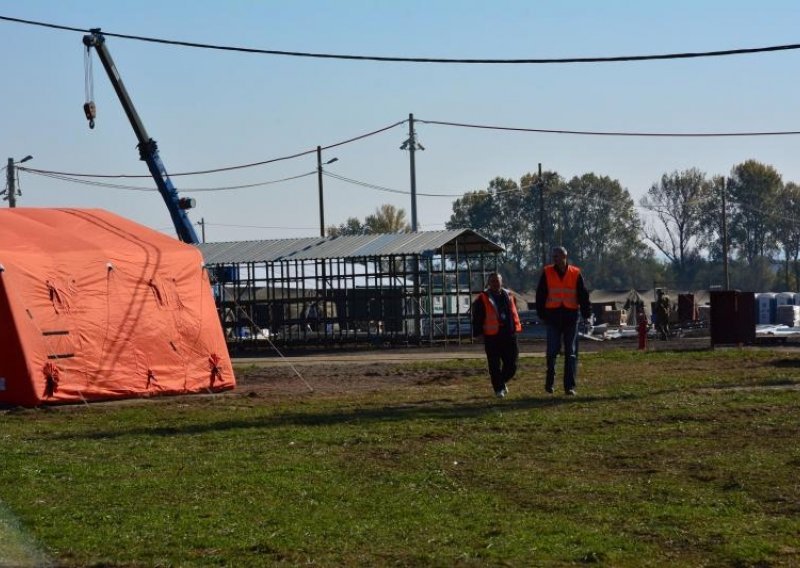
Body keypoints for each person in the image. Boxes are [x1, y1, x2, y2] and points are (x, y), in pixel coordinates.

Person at [535, 246, 592, 396]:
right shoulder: (547, 272)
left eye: (557, 256)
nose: (555, 259)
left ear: (565, 256)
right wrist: (541, 313)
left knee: (571, 353)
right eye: (553, 256)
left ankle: (569, 386)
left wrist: (586, 313)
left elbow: (583, 295)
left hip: (570, 317)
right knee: (552, 351)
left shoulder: (575, 273)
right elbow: (540, 294)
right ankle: (550, 383)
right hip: (553, 317)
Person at [471, 272, 522, 398]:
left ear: (501, 282)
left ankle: (501, 381)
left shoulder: (509, 295)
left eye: (497, 281)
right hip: (492, 336)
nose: (495, 283)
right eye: (492, 281)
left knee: (512, 365)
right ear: (489, 283)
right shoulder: (483, 298)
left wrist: (516, 327)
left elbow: (514, 311)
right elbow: (477, 317)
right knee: (494, 365)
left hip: (509, 334)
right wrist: (478, 333)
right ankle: (498, 389)